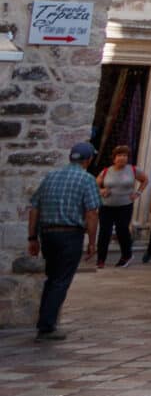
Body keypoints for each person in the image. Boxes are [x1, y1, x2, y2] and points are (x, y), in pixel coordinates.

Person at [26, 142, 102, 341]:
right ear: (88, 160)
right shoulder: (87, 180)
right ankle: (47, 327)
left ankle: (45, 321)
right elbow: (92, 212)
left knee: (52, 278)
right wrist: (92, 242)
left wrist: (32, 237)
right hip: (70, 234)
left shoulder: (51, 176)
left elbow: (34, 207)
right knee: (61, 280)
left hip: (48, 233)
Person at [94, 144, 144, 269]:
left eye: (125, 155)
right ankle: (101, 259)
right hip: (106, 206)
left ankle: (126, 255)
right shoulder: (106, 171)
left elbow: (145, 180)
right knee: (105, 232)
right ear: (114, 157)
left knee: (122, 230)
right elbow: (95, 185)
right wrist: (101, 190)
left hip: (124, 206)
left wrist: (138, 193)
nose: (122, 158)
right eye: (120, 155)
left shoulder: (133, 170)